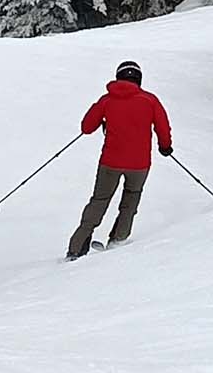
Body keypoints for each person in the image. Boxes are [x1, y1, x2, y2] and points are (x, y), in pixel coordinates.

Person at [66, 60, 172, 259]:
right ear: (138, 79)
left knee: (99, 201)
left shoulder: (107, 100)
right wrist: (165, 146)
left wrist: (102, 114)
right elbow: (163, 127)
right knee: (131, 199)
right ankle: (118, 239)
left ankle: (77, 247)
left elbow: (86, 128)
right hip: (139, 164)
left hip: (110, 162)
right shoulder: (150, 100)